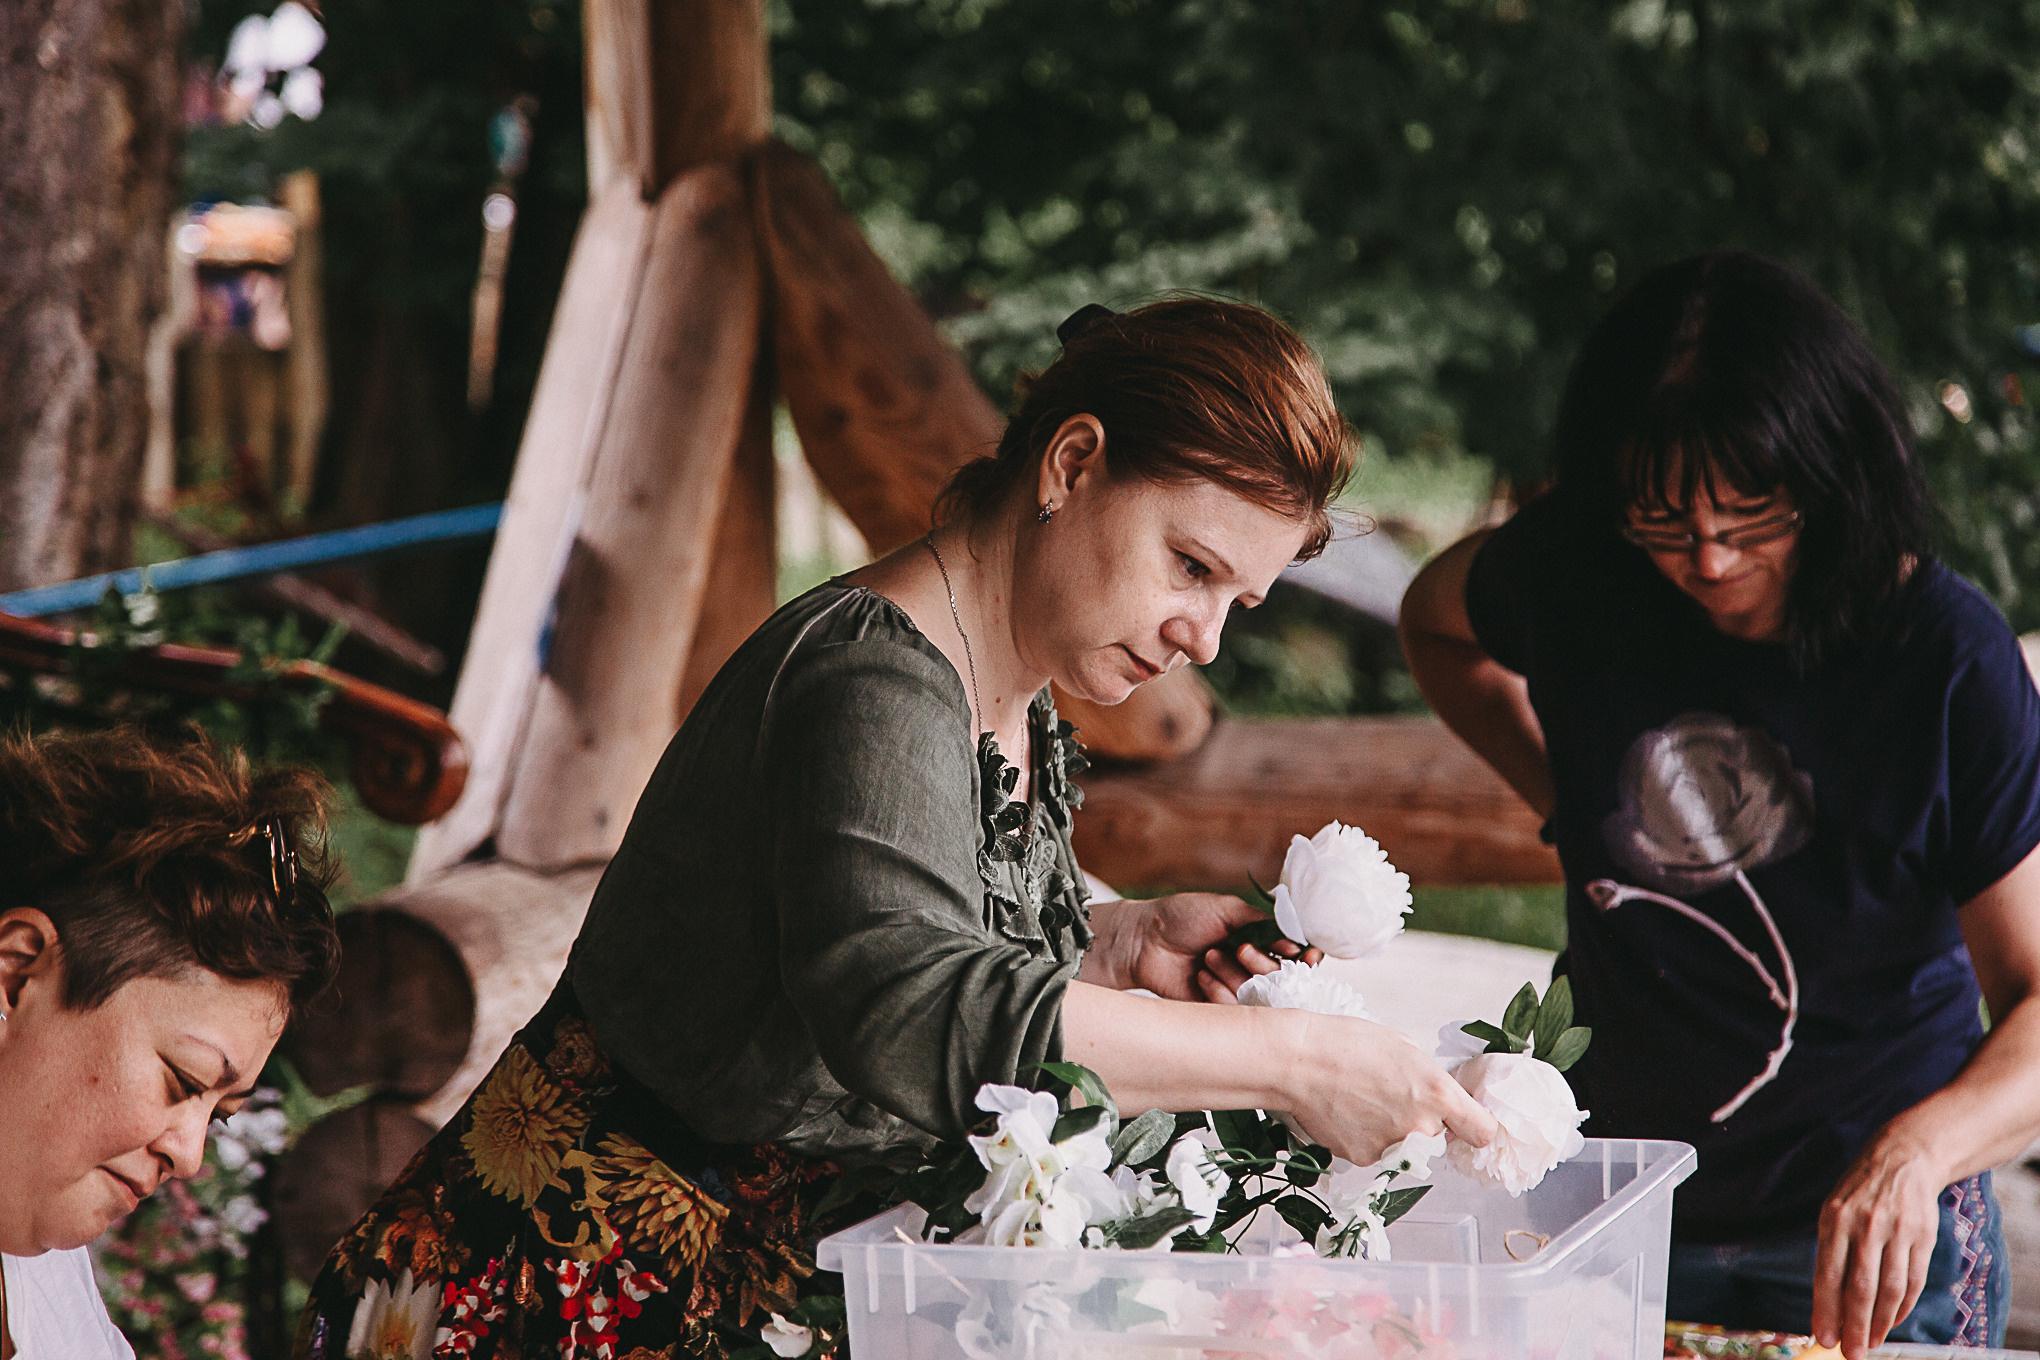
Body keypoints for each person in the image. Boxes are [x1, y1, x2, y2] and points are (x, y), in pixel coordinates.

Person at [296, 296, 1499, 1359]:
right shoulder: (872, 678)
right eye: (1189, 565)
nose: (1206, 638)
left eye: (1236, 601)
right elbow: (906, 1002)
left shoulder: (1010, 694)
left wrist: (1114, 945)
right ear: (1072, 464)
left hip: (727, 1286)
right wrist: (1296, 1066)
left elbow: (877, 932)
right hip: (569, 1280)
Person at [1401, 250, 2040, 1358]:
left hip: (1861, 1222)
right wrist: (1566, 801)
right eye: (1664, 518)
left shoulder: (1943, 658)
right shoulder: (1575, 568)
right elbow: (1435, 622)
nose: (1706, 557)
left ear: (1835, 476)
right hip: (1617, 1198)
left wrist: (1918, 1154)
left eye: (1753, 516)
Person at [0, 724, 341, 1360]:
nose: (188, 1158)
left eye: (217, 1116)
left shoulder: (50, 1284)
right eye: (182, 1080)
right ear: (18, 976)